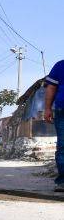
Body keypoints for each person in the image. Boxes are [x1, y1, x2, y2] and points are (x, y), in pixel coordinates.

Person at [44, 59, 64, 192]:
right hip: (62, 111)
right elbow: (51, 87)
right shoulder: (60, 65)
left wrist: (48, 108)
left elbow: (51, 87)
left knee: (63, 146)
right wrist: (47, 108)